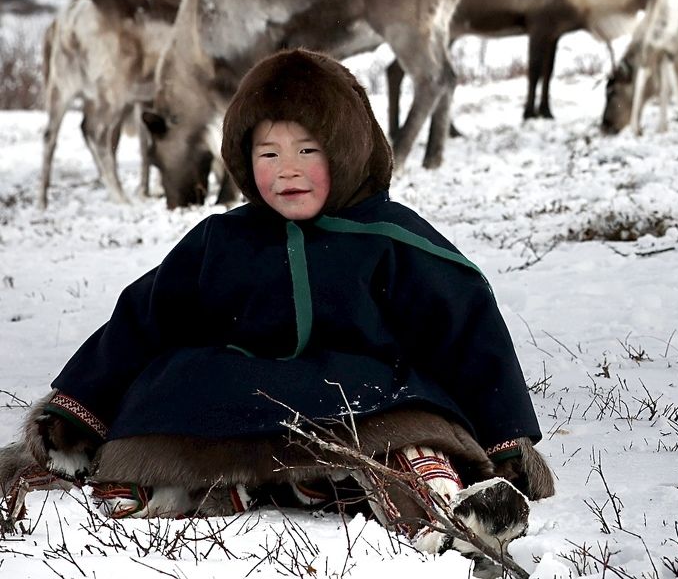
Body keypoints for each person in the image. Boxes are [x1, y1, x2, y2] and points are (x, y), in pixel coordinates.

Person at [1, 49, 553, 563]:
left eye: (307, 150)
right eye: (269, 154)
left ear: (346, 149)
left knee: (411, 439)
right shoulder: (223, 240)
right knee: (150, 429)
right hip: (233, 400)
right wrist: (78, 406)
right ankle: (257, 486)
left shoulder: (391, 239)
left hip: (364, 402)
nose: (287, 170)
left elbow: (467, 330)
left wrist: (507, 438)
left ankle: (452, 518)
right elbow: (144, 319)